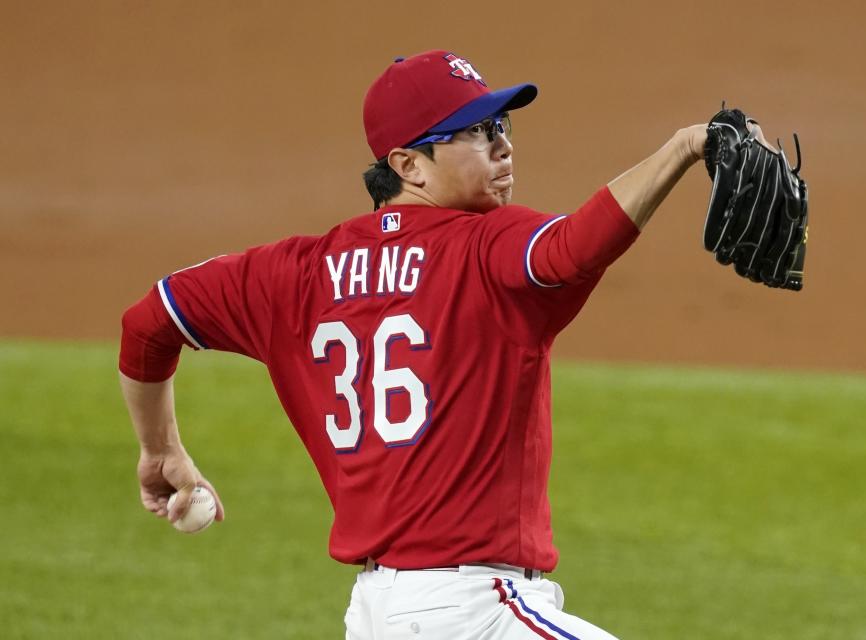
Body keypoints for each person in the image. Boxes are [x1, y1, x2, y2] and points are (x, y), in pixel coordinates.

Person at [119, 50, 726, 639]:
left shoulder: (293, 274)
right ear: (408, 164)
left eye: (502, 124)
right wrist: (684, 148)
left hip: (374, 616)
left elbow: (148, 323)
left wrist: (160, 449)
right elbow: (574, 246)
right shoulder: (484, 247)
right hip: (472, 614)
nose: (503, 145)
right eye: (476, 132)